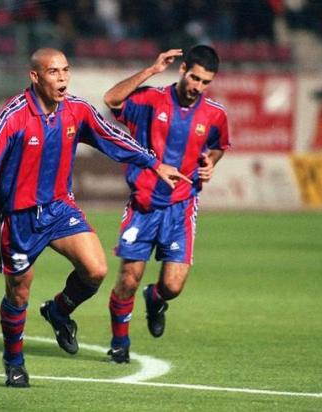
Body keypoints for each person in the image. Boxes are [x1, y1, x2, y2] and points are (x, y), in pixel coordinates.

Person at [0, 48, 189, 388]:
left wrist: (154, 163)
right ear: (35, 77)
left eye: (66, 70)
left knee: (96, 269)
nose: (63, 78)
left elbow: (113, 137)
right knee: (19, 294)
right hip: (18, 216)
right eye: (53, 72)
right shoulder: (13, 115)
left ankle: (59, 311)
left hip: (60, 208)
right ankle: (14, 362)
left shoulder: (76, 110)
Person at [102, 45, 229, 363]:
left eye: (205, 82)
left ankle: (155, 299)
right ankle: (120, 343)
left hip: (181, 207)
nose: (198, 87)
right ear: (183, 69)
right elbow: (111, 100)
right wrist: (150, 71)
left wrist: (211, 162)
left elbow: (217, 146)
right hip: (143, 203)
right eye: (195, 78)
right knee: (129, 277)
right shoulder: (150, 100)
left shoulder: (214, 114)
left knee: (173, 285)